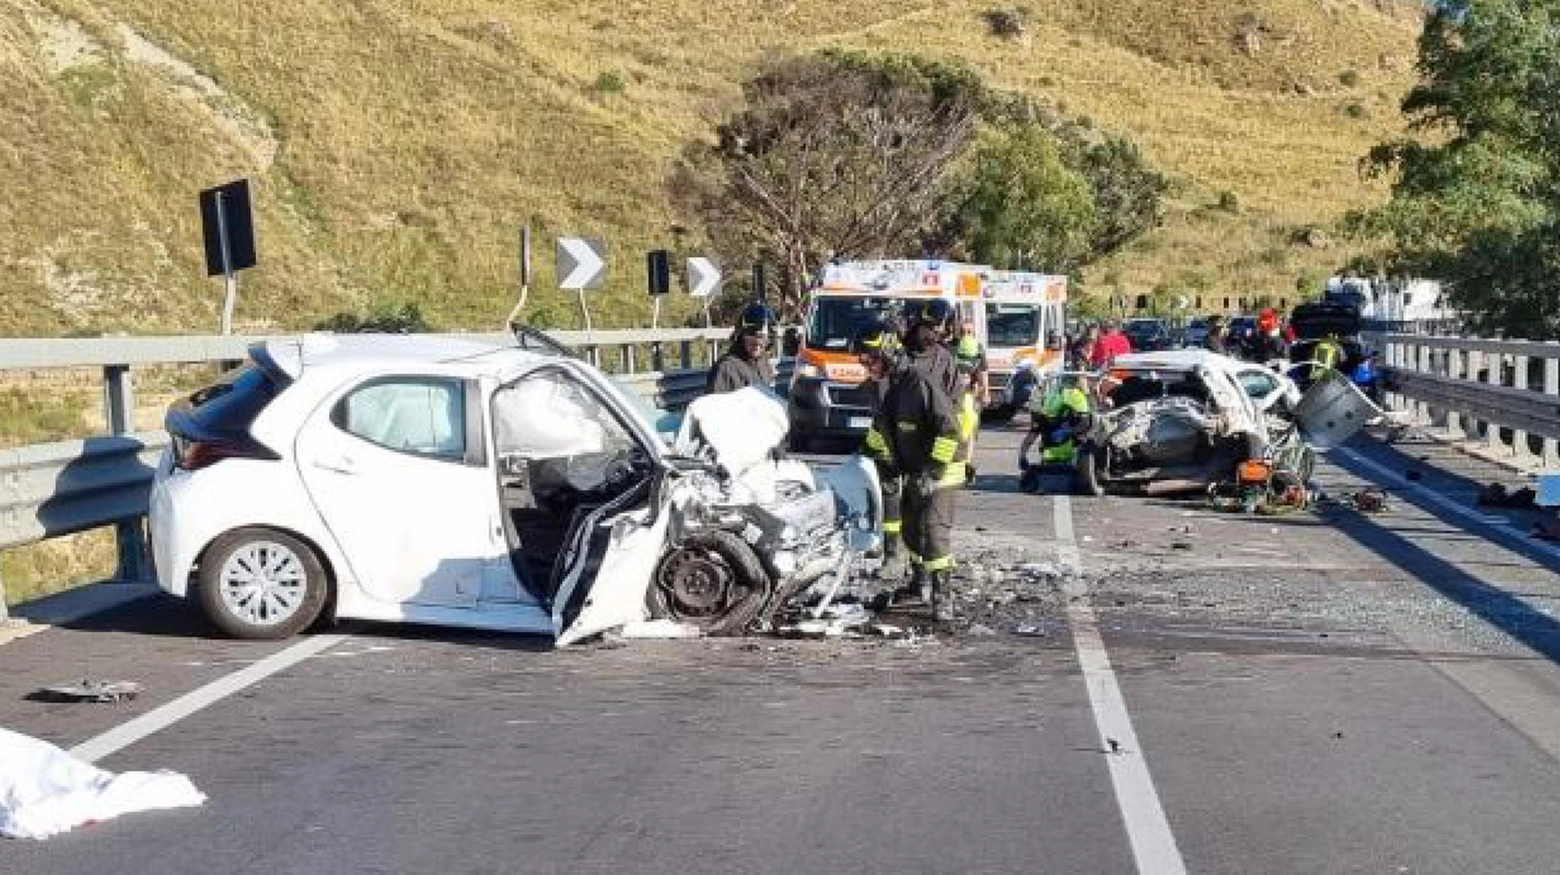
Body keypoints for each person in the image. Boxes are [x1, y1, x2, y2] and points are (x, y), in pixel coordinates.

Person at [855, 322, 962, 621]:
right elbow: (881, 430)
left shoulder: (919, 383)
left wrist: (933, 471)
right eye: (862, 360)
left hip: (942, 469)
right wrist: (867, 456)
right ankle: (920, 583)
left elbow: (949, 429)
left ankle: (943, 596)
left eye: (871, 359)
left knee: (933, 531)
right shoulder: (882, 386)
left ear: (889, 353)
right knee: (910, 529)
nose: (867, 366)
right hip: (914, 471)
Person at [1017, 373, 1092, 490]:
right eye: (1049, 418)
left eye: (1054, 418)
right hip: (1051, 461)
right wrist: (1022, 456)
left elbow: (1086, 425)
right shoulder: (1043, 416)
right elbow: (1030, 438)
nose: (1051, 420)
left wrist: (1068, 432)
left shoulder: (1076, 412)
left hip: (1074, 460)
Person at [706, 303, 776, 394]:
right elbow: (714, 405)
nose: (757, 341)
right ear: (740, 335)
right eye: (751, 333)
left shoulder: (764, 363)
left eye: (762, 336)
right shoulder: (726, 368)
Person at [953, 321, 989, 483]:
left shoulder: (979, 348)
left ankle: (966, 464)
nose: (966, 334)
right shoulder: (951, 348)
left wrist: (985, 391)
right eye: (963, 331)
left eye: (970, 332)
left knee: (971, 428)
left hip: (971, 393)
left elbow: (983, 372)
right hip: (952, 395)